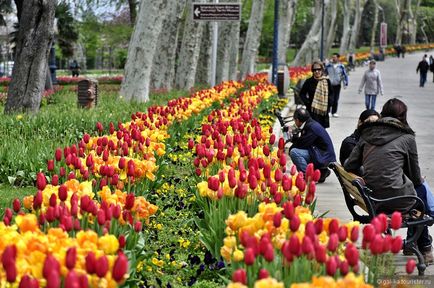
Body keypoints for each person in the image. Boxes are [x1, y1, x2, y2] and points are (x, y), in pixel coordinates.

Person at [344, 98, 433, 263]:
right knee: (420, 191)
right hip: (398, 202)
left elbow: (349, 164)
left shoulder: (367, 133)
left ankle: (418, 240)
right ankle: (424, 245)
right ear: (403, 116)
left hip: (372, 200)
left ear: (383, 114)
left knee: (417, 193)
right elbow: (414, 176)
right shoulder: (407, 138)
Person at [289, 108, 336, 183]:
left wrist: (293, 140)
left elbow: (302, 144)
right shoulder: (311, 123)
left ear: (297, 120)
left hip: (323, 156)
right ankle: (321, 172)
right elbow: (304, 141)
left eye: (294, 120)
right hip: (323, 154)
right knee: (297, 150)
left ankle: (307, 176)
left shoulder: (311, 128)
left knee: (294, 152)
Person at [299, 61, 333, 128]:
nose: (317, 71)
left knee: (321, 132)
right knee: (312, 130)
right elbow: (302, 93)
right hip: (312, 111)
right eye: (314, 70)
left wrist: (329, 103)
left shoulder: (326, 81)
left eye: (319, 69)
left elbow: (331, 94)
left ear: (322, 70)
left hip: (323, 112)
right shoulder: (309, 81)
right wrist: (308, 102)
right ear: (312, 71)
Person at [325, 53, 348, 117]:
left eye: (335, 57)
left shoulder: (341, 66)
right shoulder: (328, 66)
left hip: (337, 84)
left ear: (338, 58)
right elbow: (324, 73)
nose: (333, 58)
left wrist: (345, 83)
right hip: (330, 84)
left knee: (336, 99)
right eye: (332, 57)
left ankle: (334, 112)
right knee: (329, 98)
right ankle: (328, 111)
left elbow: (344, 75)